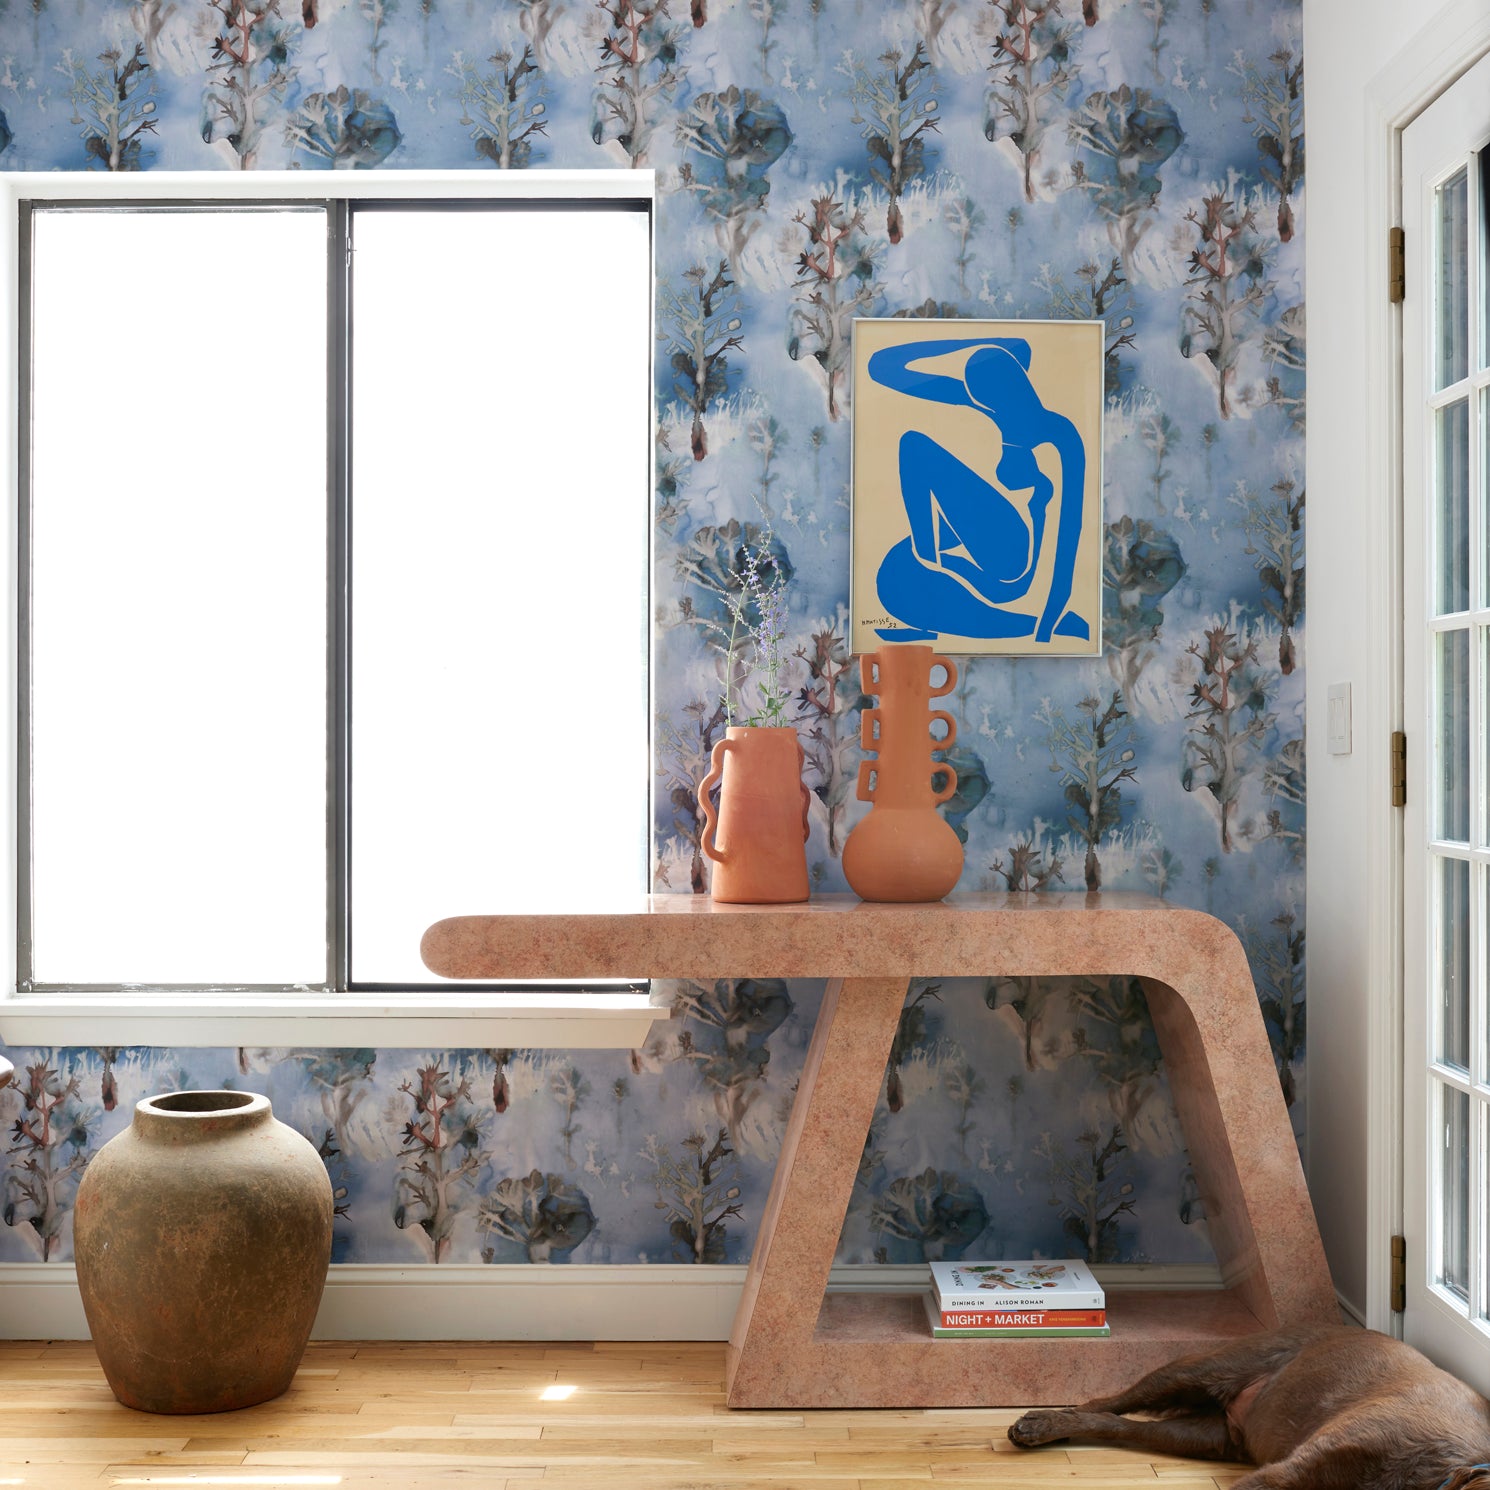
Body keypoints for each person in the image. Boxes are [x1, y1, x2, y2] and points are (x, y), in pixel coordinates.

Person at [865, 335, 1090, 645]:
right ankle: (928, 609)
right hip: (985, 539)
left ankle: (931, 566)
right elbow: (882, 368)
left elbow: (1069, 536)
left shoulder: (1060, 435)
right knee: (893, 575)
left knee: (914, 446)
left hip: (1014, 560)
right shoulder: (990, 407)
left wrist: (1046, 627)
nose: (981, 406)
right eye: (979, 399)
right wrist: (991, 342)